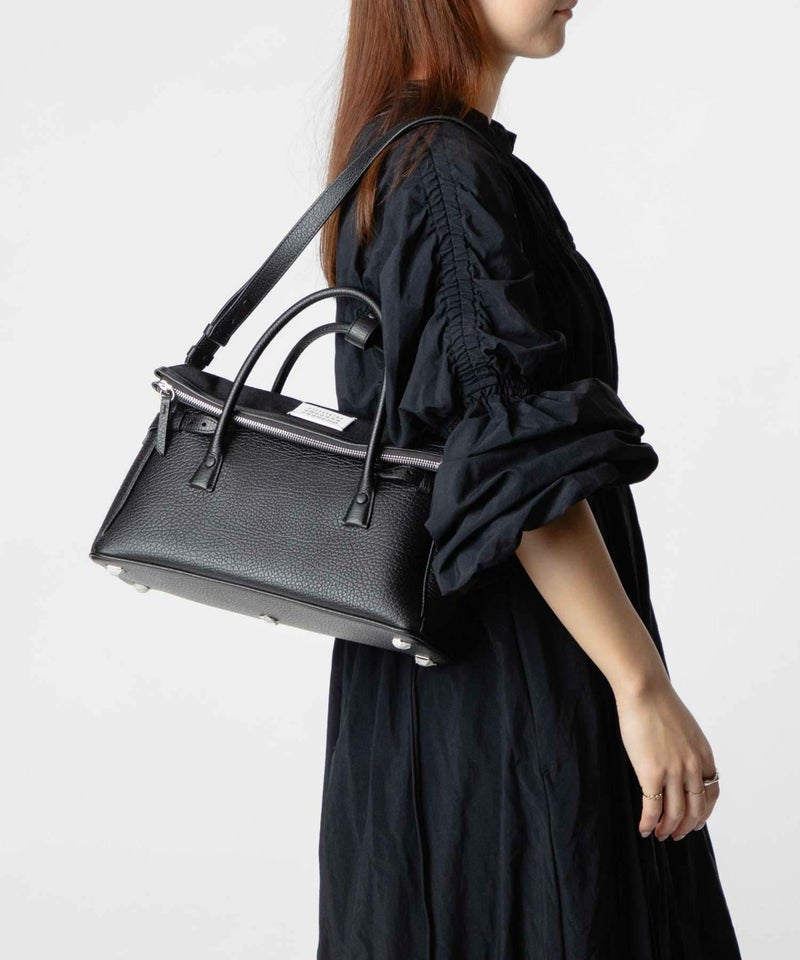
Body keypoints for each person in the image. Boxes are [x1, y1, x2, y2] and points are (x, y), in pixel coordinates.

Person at [315, 2, 742, 957]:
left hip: (441, 693)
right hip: (515, 690)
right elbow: (510, 463)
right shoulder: (445, 171)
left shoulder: (404, 157)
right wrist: (640, 684)